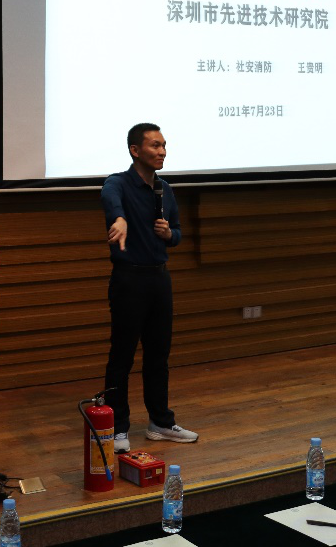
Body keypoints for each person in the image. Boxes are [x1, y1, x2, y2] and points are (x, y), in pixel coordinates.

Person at [101, 123, 198, 453]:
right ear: (135, 150)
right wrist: (119, 218)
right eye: (155, 145)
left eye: (164, 145)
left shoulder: (165, 189)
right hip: (129, 279)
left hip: (159, 279)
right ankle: (117, 427)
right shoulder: (118, 183)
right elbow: (110, 200)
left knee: (159, 355)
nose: (162, 151)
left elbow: (178, 232)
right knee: (122, 356)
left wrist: (170, 235)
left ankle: (160, 422)